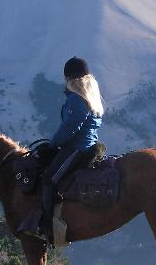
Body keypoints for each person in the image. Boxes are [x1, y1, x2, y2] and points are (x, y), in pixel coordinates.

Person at [22, 57, 104, 242]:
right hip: (86, 144)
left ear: (70, 79)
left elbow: (71, 127)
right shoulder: (91, 97)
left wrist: (53, 144)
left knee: (49, 179)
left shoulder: (76, 99)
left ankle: (45, 227)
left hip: (77, 147)